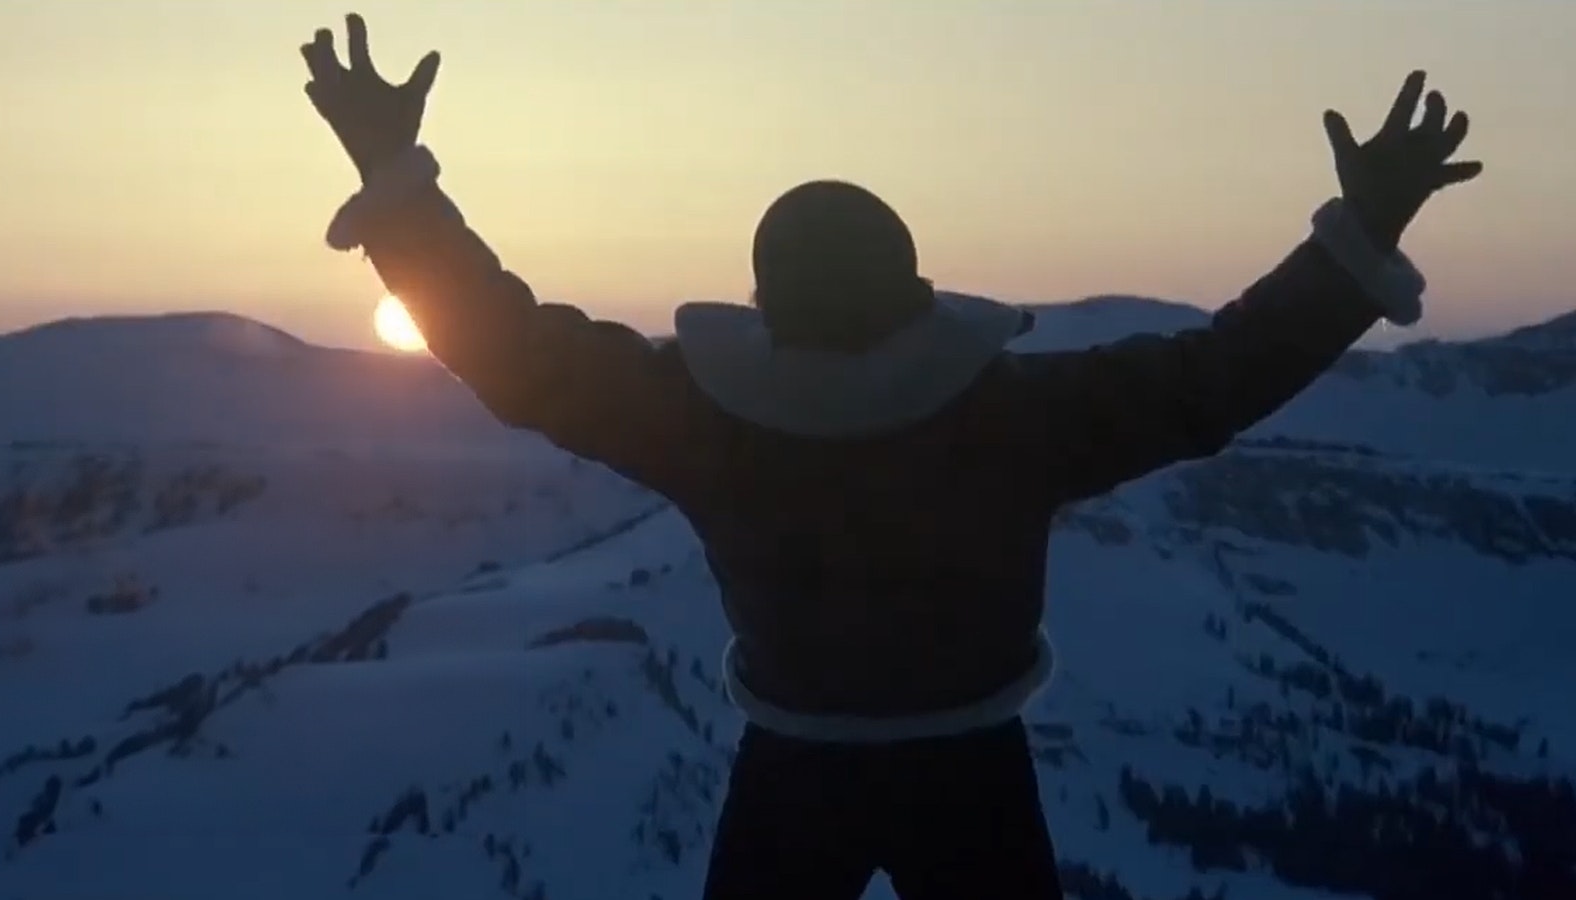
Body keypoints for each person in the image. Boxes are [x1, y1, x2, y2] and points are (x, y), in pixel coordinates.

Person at [299, 14, 1481, 899]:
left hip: (790, 771)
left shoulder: (705, 418)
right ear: (916, 288)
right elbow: (1220, 374)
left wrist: (396, 188)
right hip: (973, 768)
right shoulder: (1007, 415)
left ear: (762, 299)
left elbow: (513, 350)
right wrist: (1358, 239)